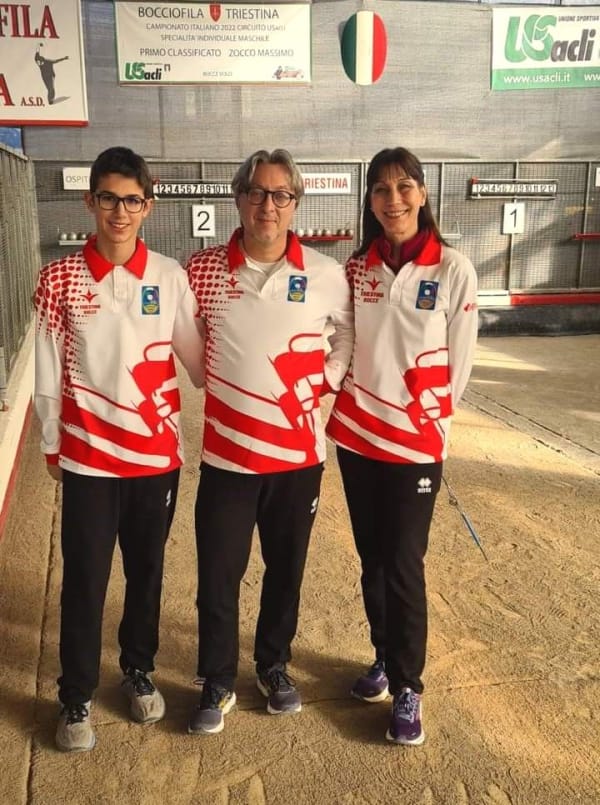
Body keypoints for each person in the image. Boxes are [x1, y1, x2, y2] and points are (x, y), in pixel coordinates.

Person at [33, 146, 205, 752]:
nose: (120, 212)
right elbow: (47, 371)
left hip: (156, 461)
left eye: (132, 200)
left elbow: (202, 361)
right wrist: (52, 442)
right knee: (84, 580)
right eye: (108, 198)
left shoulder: (170, 276)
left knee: (146, 574)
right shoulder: (58, 279)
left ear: (148, 206)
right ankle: (75, 695)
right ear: (90, 201)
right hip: (88, 459)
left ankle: (138, 669)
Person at [185, 148, 353, 734]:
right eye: (257, 192)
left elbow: (346, 336)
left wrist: (326, 381)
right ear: (239, 198)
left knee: (286, 569)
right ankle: (217, 678)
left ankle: (273, 665)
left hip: (298, 459)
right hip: (227, 457)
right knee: (218, 575)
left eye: (281, 194)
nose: (268, 205)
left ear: (296, 203)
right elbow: (187, 337)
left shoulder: (327, 275)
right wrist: (208, 375)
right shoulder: (201, 270)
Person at [326, 147, 478, 746]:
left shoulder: (453, 269)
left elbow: (458, 367)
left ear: (422, 192)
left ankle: (409, 687)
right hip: (358, 438)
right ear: (370, 201)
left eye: (404, 186)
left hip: (415, 445)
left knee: (404, 562)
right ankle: (385, 658)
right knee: (372, 558)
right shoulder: (356, 269)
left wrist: (431, 429)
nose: (394, 199)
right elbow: (343, 342)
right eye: (382, 189)